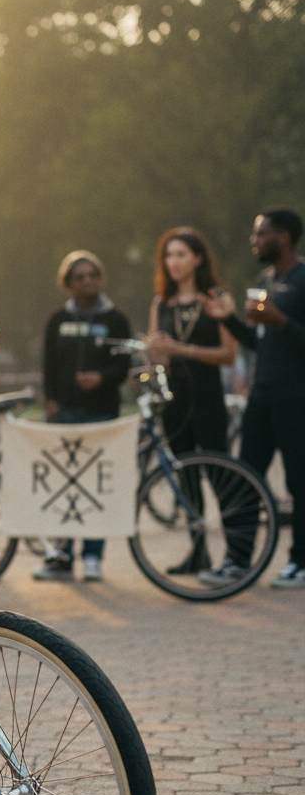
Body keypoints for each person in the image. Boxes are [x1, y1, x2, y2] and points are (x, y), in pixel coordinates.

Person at [199, 207, 305, 589]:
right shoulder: (266, 279)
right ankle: (238, 560)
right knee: (244, 479)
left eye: (261, 233)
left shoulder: (303, 278)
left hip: (295, 398)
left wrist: (281, 321)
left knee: (299, 482)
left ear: (285, 237)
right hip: (263, 395)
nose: (254, 240)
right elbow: (258, 343)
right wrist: (225, 319)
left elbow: (290, 333)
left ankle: (300, 562)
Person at [33, 251, 131, 582]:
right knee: (63, 487)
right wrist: (51, 400)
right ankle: (61, 556)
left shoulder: (116, 319)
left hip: (102, 412)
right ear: (68, 283)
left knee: (95, 487)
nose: (88, 281)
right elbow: (48, 365)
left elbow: (124, 365)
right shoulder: (57, 320)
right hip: (64, 413)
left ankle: (93, 556)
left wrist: (102, 378)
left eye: (93, 275)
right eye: (80, 276)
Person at [144, 227, 238, 574]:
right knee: (185, 476)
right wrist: (153, 353)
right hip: (175, 400)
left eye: (181, 254)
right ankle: (198, 552)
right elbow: (159, 358)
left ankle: (236, 554)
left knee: (219, 474)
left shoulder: (215, 297)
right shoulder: (162, 302)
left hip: (207, 396)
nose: (174, 262)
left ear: (198, 258)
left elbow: (229, 354)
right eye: (169, 255)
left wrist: (180, 348)